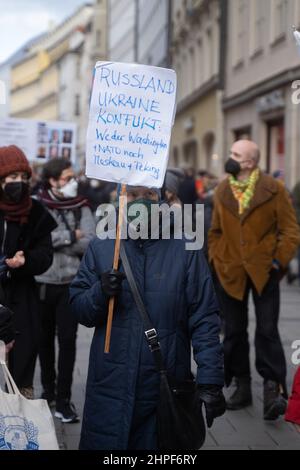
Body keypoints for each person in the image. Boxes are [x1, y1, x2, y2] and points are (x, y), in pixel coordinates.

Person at [70, 185, 225, 450]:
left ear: (163, 198)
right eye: (132, 195)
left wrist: (210, 379)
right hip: (111, 385)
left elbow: (204, 317)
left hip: (164, 385)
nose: (140, 202)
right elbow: (79, 308)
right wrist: (99, 292)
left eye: (149, 195)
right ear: (119, 198)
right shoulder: (103, 244)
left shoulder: (186, 247)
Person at [209, 139, 300, 420]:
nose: (230, 157)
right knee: (234, 331)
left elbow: (290, 230)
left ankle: (273, 389)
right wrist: (217, 256)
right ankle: (242, 384)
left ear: (249, 162)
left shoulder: (274, 189)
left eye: (236, 154)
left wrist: (277, 261)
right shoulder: (223, 189)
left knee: (268, 330)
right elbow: (215, 231)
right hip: (231, 270)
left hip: (264, 271)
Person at [36, 158, 95, 423]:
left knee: (68, 341)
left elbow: (91, 243)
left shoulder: (81, 205)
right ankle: (48, 391)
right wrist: (72, 236)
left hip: (71, 284)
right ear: (53, 180)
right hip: (43, 283)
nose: (73, 182)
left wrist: (60, 241)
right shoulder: (38, 205)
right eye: (67, 177)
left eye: (73, 177)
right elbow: (40, 241)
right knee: (44, 340)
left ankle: (63, 400)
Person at [0, 145, 57, 398]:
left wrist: (26, 260)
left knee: (22, 366)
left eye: (23, 178)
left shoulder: (36, 212)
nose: (19, 183)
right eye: (13, 178)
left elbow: (46, 256)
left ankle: (19, 425)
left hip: (23, 300)